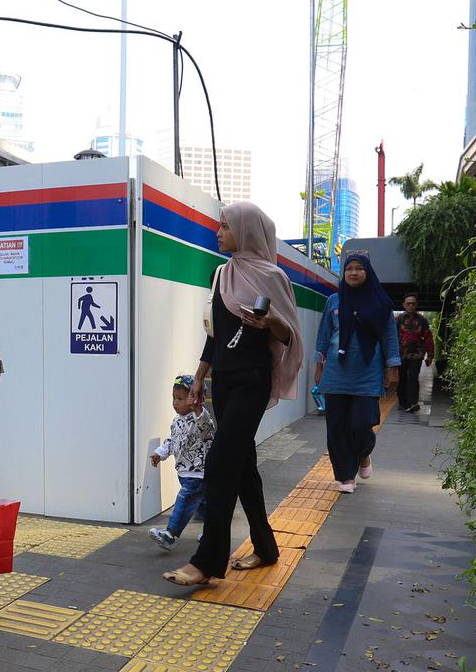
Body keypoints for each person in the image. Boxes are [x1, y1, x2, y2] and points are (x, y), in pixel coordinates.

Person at [162, 201, 303, 586]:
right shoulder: (220, 274)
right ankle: (266, 547)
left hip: (252, 382)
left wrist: (272, 321)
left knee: (220, 464)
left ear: (246, 230)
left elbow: (290, 336)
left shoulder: (274, 277)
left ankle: (207, 562)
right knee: (243, 469)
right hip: (223, 382)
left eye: (225, 226)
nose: (217, 232)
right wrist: (198, 378)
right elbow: (215, 337)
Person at [313, 253, 401, 493]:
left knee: (363, 424)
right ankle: (345, 477)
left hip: (368, 373)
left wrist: (392, 368)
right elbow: (323, 336)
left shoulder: (381, 303)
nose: (353, 273)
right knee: (337, 428)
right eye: (348, 269)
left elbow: (389, 338)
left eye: (358, 269)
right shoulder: (334, 300)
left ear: (367, 273)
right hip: (335, 372)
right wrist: (318, 366)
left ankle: (364, 454)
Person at [148, 375, 215, 550]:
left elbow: (207, 429)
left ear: (195, 399)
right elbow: (172, 440)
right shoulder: (177, 420)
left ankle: (170, 534)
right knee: (201, 505)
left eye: (180, 398)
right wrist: (160, 454)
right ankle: (214, 531)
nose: (175, 403)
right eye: (174, 398)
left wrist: (199, 409)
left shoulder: (200, 418)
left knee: (184, 499)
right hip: (184, 472)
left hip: (198, 472)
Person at [396, 294, 434, 412]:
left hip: (417, 355)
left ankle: (413, 403)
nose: (411, 305)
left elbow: (428, 337)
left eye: (413, 303)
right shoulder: (399, 320)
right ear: (404, 305)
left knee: (413, 377)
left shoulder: (422, 320)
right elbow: (393, 337)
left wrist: (430, 355)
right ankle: (402, 402)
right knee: (402, 379)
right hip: (401, 354)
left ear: (416, 305)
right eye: (408, 303)